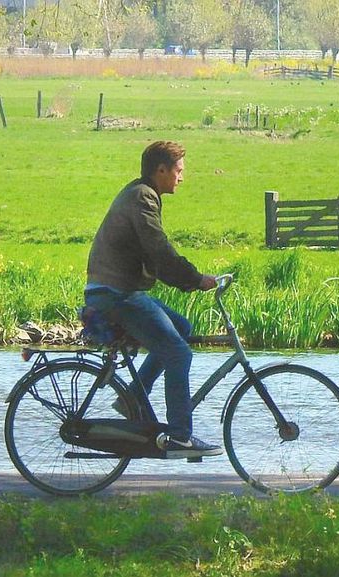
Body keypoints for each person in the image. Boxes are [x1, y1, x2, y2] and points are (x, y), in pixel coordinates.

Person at [83, 140, 221, 458]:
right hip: (116, 294)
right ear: (162, 170)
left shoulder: (142, 194)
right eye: (179, 171)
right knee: (178, 354)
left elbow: (155, 255)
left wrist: (189, 279)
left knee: (181, 328)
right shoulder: (143, 197)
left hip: (117, 290)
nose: (182, 178)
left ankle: (132, 398)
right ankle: (180, 437)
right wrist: (196, 279)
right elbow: (159, 250)